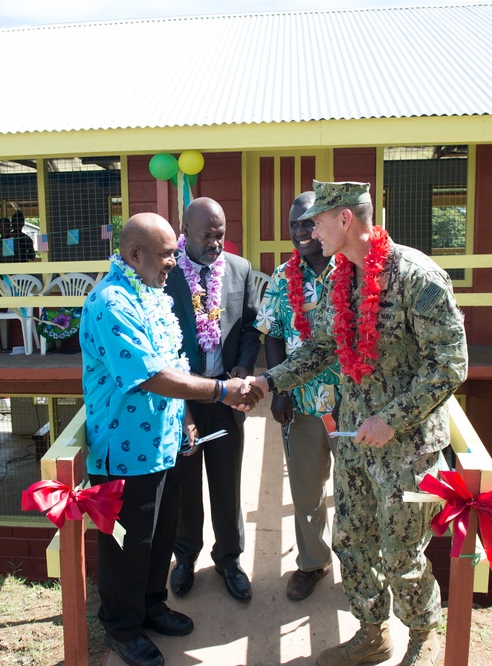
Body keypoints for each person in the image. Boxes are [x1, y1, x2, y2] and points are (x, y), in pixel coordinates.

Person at [249, 181, 468, 666]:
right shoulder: (338, 278)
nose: (309, 232)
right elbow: (322, 347)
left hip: (406, 448)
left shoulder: (417, 277)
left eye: (316, 222)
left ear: (344, 219)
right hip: (350, 438)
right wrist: (267, 382)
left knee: (402, 553)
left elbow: (450, 365)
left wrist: (391, 419)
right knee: (351, 539)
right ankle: (373, 633)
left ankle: (422, 638)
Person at [81, 212, 260, 666]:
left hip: (163, 444)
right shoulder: (112, 302)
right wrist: (222, 390)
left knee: (160, 538)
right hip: (123, 454)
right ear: (133, 254)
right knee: (128, 546)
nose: (173, 263)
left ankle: (152, 606)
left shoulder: (151, 293)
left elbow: (175, 359)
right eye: (166, 254)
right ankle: (123, 627)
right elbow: (155, 375)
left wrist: (184, 422)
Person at [164, 197, 261, 602]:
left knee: (226, 482)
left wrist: (242, 365)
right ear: (185, 230)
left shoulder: (240, 270)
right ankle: (185, 558)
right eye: (207, 235)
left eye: (220, 235)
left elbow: (253, 326)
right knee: (185, 484)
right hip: (182, 395)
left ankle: (229, 559)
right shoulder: (166, 275)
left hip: (224, 395)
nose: (216, 243)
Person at [255, 191, 340, 601]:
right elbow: (271, 333)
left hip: (352, 404)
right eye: (294, 225)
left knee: (359, 489)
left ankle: (363, 567)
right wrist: (280, 390)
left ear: (325, 222)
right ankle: (313, 563)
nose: (301, 232)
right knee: (306, 492)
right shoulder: (282, 277)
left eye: (307, 222)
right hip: (302, 404)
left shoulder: (353, 269)